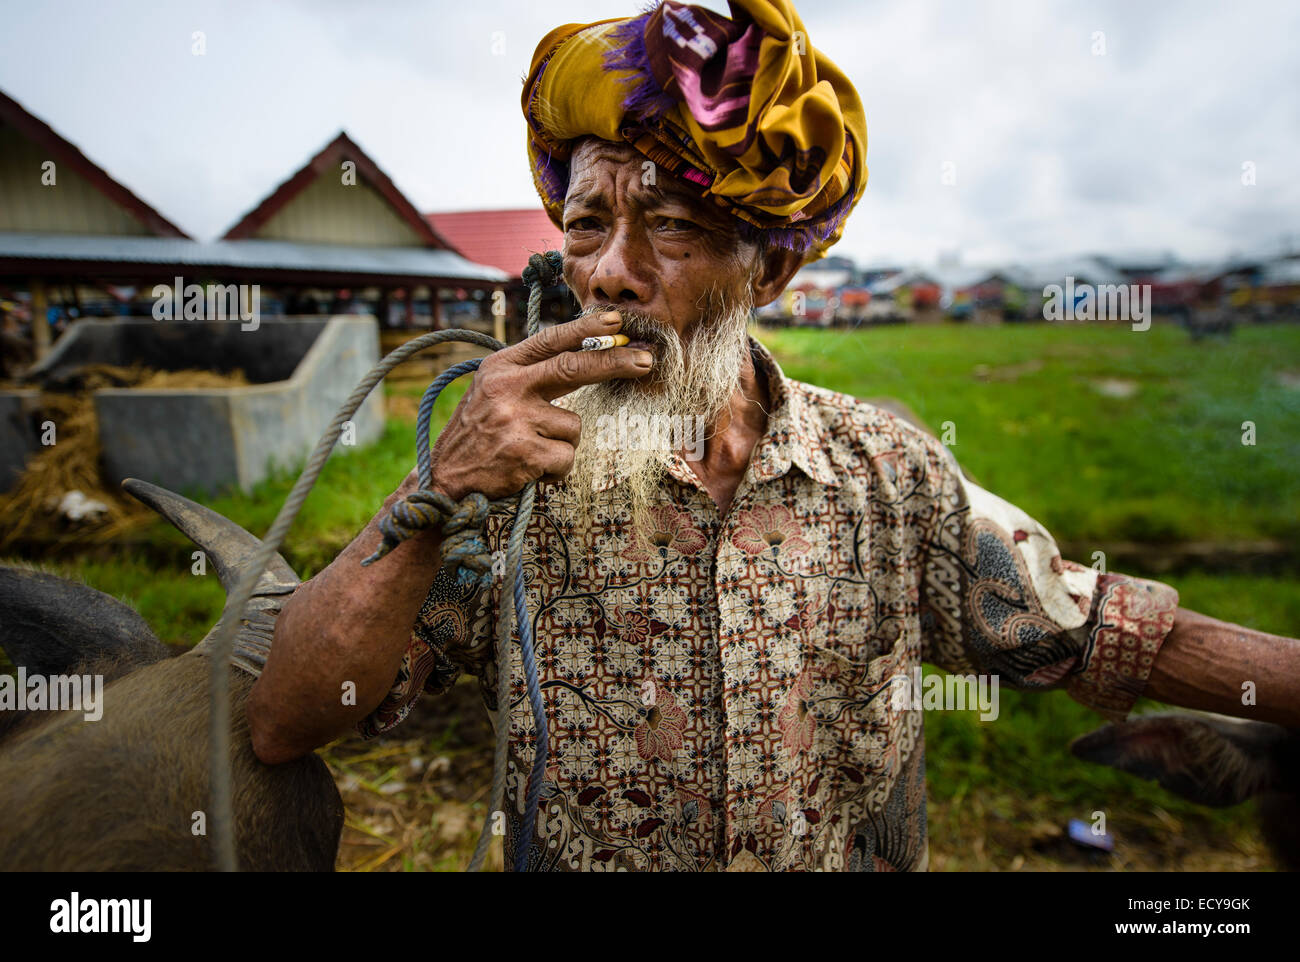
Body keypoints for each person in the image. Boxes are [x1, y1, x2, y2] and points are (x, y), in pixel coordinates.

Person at [247, 0, 1300, 871]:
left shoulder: (887, 475)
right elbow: (286, 721)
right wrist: (436, 492)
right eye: (583, 223)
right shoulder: (499, 488)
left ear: (770, 271)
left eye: (667, 225)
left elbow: (1101, 623)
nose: (609, 269)